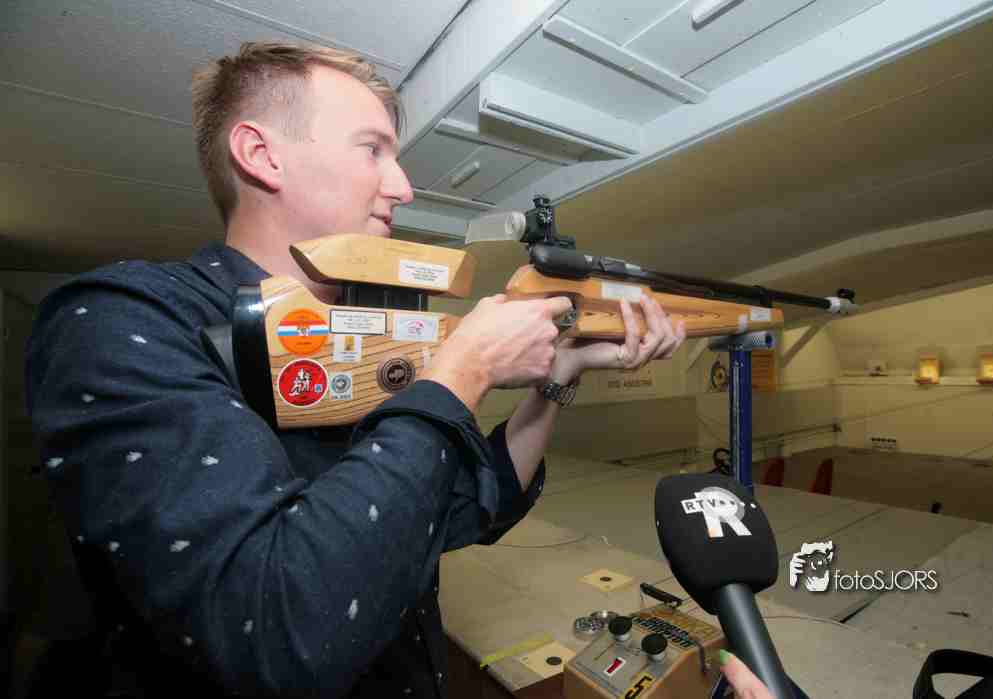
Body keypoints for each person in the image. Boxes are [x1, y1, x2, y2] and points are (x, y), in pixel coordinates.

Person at [25, 42, 771, 699]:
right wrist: (461, 372)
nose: (404, 185)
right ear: (261, 155)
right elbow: (277, 633)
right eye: (373, 149)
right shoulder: (124, 319)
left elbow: (467, 510)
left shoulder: (360, 337)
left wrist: (557, 379)